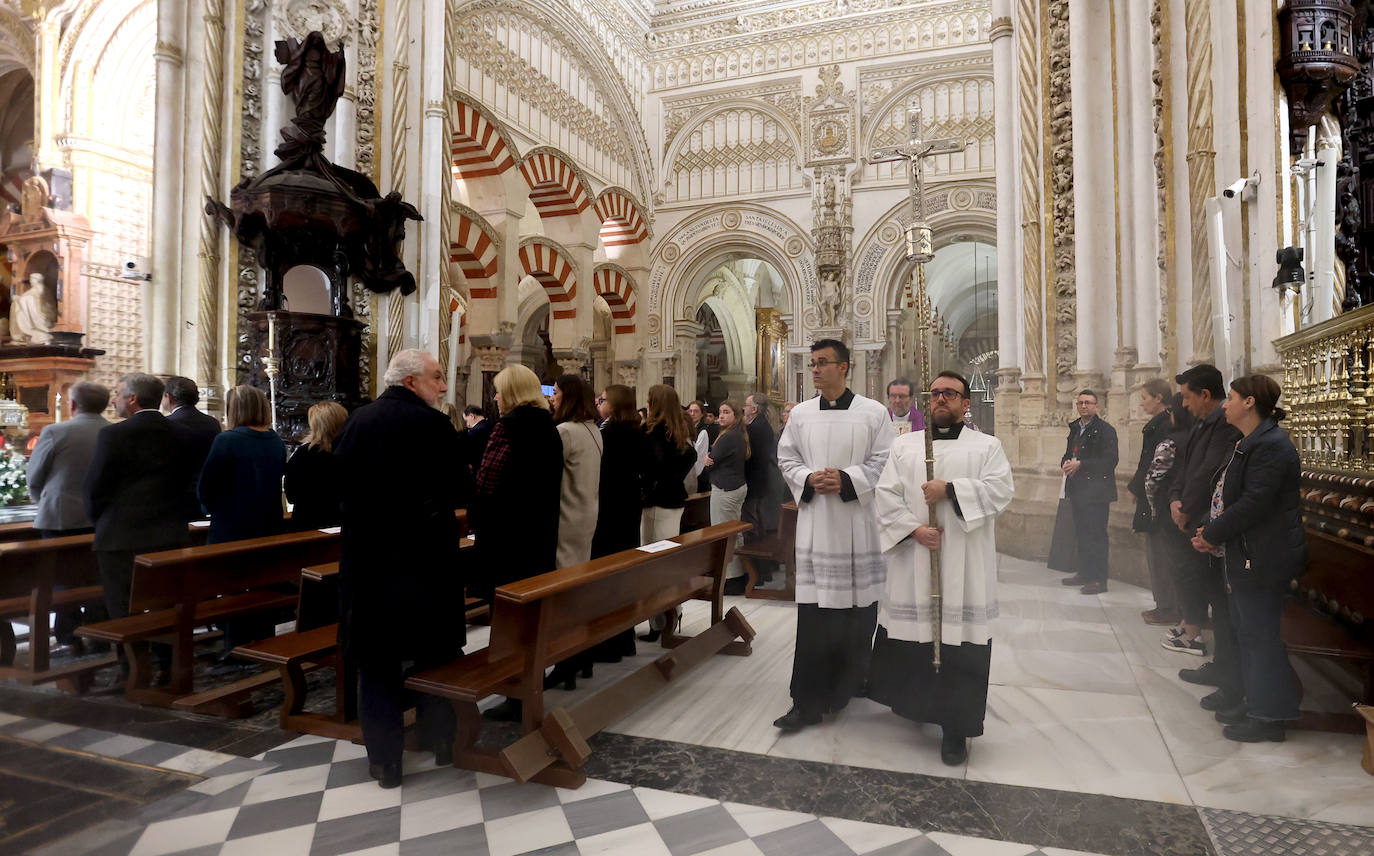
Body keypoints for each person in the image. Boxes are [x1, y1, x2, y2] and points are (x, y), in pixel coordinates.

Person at [333, 350, 471, 788]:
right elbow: (459, 488)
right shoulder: (433, 426)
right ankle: (441, 741)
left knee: (377, 660)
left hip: (371, 561)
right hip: (426, 560)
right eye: (436, 377)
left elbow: (341, 487)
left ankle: (385, 761)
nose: (443, 386)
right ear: (411, 382)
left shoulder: (358, 421)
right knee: (435, 651)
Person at [869, 371, 1014, 765]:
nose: (940, 399)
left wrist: (949, 490)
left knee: (961, 643)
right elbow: (885, 495)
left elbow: (1001, 492)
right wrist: (914, 529)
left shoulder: (987, 446)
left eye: (950, 393)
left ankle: (956, 728)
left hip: (964, 566)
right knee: (918, 640)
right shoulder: (906, 447)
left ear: (967, 403)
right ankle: (921, 708)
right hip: (917, 560)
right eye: (933, 393)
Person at [774, 339, 893, 732]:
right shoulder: (802, 415)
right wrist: (808, 478)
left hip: (856, 525)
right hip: (816, 527)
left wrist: (845, 478)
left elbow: (884, 462)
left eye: (823, 363)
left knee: (857, 616)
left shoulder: (874, 413)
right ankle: (805, 702)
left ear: (845, 367)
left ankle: (849, 684)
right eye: (812, 364)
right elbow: (786, 457)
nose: (815, 370)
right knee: (814, 618)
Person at [1191, 374, 1306, 743]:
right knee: (1247, 634)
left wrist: (1212, 533)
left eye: (1232, 398)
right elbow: (1226, 495)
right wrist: (1211, 529)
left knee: (1260, 637)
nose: (1225, 404)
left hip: (1263, 555)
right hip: (1245, 553)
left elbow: (1254, 504)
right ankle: (1254, 702)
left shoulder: (1270, 445)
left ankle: (1270, 717)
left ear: (1250, 402)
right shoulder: (1249, 442)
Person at [83, 373, 196, 679]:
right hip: (169, 531)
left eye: (118, 393)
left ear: (132, 398)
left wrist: (100, 520)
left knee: (122, 606)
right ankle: (167, 665)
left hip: (120, 534)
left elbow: (96, 486)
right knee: (164, 602)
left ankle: (131, 670)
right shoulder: (181, 433)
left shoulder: (114, 435)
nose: (115, 399)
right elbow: (187, 483)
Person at [474, 364, 563, 721]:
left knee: (509, 617)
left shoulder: (507, 428)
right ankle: (530, 682)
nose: (495, 397)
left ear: (510, 394)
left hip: (506, 537)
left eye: (498, 391)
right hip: (539, 534)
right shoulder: (549, 429)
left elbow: (487, 483)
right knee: (530, 613)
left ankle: (514, 693)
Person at [1166, 364, 1242, 699]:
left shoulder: (1223, 426)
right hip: (1191, 514)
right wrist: (1175, 498)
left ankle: (1228, 669)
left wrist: (1186, 508)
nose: (1183, 404)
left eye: (1186, 397)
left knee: (1219, 600)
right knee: (1208, 592)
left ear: (1205, 395)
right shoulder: (1202, 423)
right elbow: (1185, 467)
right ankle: (1222, 666)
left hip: (1204, 522)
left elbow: (1210, 471)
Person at [27, 381, 110, 646]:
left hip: (60, 517)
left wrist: (42, 501)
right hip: (101, 516)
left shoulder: (55, 431)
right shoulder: (114, 432)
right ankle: (98, 633)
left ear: (72, 405)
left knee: (62, 577)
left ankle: (67, 635)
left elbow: (35, 475)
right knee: (96, 574)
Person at [197, 385, 287, 545]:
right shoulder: (276, 441)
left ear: (234, 410)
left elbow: (206, 488)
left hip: (232, 528)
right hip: (268, 525)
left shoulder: (227, 440)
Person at [1058, 390, 1118, 595]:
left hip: (1097, 492)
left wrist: (1081, 465)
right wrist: (1065, 463)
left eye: (1088, 403)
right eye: (1080, 403)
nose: (1084, 406)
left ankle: (1099, 580)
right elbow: (1068, 453)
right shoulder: (1075, 428)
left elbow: (1110, 461)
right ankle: (1084, 573)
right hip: (1078, 490)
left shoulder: (1105, 430)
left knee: (1096, 535)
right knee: (1082, 533)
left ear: (1096, 406)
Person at [1128, 378, 1177, 624]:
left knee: (1162, 554)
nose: (1141, 402)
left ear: (1159, 398)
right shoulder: (1158, 423)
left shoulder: (1166, 424)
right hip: (1153, 497)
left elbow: (1156, 463)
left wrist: (1140, 488)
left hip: (1160, 498)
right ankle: (1163, 604)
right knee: (1155, 553)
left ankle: (1169, 607)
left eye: (1145, 397)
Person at [551, 373, 603, 571]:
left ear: (569, 396)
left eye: (556, 392)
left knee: (565, 571)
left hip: (568, 514)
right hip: (587, 512)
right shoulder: (593, 428)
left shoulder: (565, 431)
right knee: (579, 568)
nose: (552, 398)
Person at [703, 399, 750, 594]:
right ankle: (736, 576)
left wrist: (708, 459)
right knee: (733, 533)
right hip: (735, 486)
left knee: (723, 534)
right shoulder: (737, 434)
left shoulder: (729, 436)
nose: (721, 415)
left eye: (726, 412)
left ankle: (729, 580)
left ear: (736, 416)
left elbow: (710, 462)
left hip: (725, 488)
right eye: (720, 412)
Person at [164, 376, 222, 520]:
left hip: (175, 497)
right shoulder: (212, 423)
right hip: (205, 492)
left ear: (169, 397)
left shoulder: (165, 424)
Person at [284, 401, 348, 531]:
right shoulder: (350, 451)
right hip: (341, 523)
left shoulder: (302, 455)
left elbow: (291, 495)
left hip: (307, 523)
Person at [742, 393, 783, 583]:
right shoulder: (764, 426)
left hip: (756, 484)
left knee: (755, 527)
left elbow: (750, 458)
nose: (744, 408)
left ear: (754, 409)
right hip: (763, 483)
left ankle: (758, 573)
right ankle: (763, 570)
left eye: (746, 405)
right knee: (760, 524)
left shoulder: (755, 428)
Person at [462, 405, 492, 475]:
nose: (467, 424)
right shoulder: (492, 425)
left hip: (478, 470)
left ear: (472, 416)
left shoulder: (474, 432)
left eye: (466, 420)